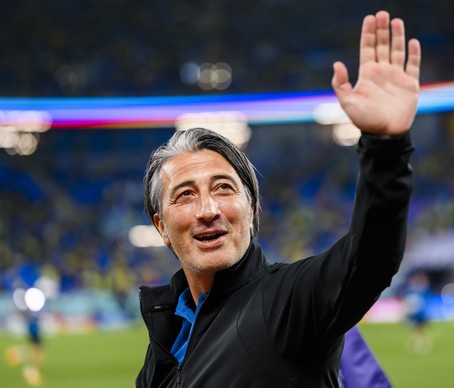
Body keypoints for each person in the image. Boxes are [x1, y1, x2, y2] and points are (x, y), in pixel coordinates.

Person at [136, 10, 421, 387]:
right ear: (162, 227)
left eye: (224, 188)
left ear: (251, 210)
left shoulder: (287, 304)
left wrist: (385, 148)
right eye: (185, 195)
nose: (208, 210)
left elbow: (368, 259)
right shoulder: (168, 330)